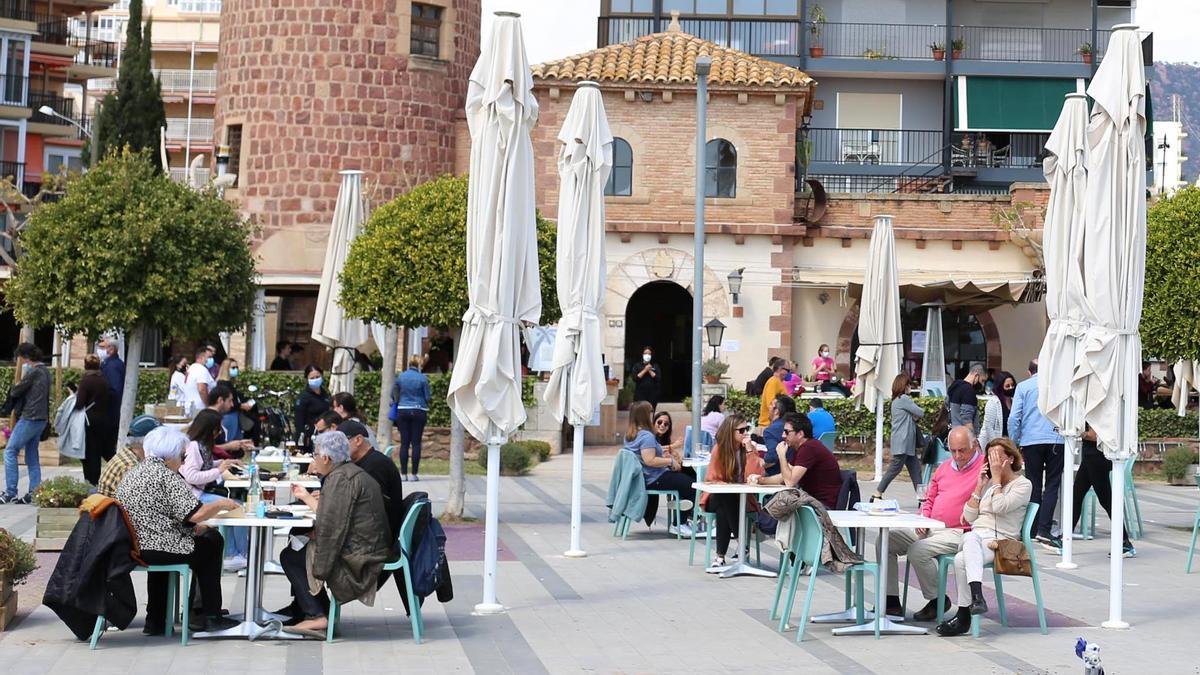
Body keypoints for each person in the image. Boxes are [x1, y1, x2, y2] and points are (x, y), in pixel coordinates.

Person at [115, 426, 240, 634]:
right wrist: (221, 505)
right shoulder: (167, 476)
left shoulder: (135, 473)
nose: (183, 462)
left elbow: (166, 513)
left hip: (134, 546)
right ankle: (208, 615)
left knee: (187, 543)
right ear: (170, 455)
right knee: (212, 542)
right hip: (159, 547)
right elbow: (195, 514)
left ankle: (156, 619)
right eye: (182, 456)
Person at [279, 430, 392, 636]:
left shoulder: (341, 479)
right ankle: (319, 611)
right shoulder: (347, 472)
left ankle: (317, 616)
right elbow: (335, 519)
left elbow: (332, 527)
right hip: (366, 545)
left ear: (325, 457)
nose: (314, 459)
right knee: (299, 543)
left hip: (361, 556)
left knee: (291, 555)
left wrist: (318, 550)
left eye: (315, 454)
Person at [882, 426, 983, 620]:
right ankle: (892, 602)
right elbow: (929, 498)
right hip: (931, 526)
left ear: (974, 445)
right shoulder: (945, 467)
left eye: (962, 450)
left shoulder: (982, 470)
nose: (957, 455)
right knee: (886, 540)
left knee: (917, 550)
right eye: (953, 450)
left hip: (957, 531)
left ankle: (938, 599)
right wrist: (924, 518)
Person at [936, 437, 1032, 637]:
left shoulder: (1023, 485)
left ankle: (965, 614)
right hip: (978, 536)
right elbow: (968, 517)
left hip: (1001, 540)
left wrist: (996, 481)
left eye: (998, 456)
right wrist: (980, 486)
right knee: (969, 542)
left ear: (1011, 459)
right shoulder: (989, 487)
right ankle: (976, 599)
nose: (993, 461)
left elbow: (1000, 506)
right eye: (990, 457)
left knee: (961, 557)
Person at [180, 409, 249, 570]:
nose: (219, 432)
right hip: (194, 496)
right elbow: (192, 476)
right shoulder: (194, 447)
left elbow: (205, 465)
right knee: (235, 507)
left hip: (199, 493)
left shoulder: (201, 446)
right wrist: (218, 470)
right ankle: (237, 554)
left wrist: (225, 462)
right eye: (218, 428)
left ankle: (235, 553)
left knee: (234, 506)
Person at [1008, 359, 1064, 551]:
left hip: (1031, 440)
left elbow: (1015, 416)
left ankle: (1031, 527)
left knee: (1033, 483)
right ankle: (1044, 528)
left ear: (1029, 371)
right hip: (1056, 438)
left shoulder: (1023, 387)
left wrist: (1014, 440)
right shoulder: (1059, 386)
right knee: (1052, 484)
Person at [623, 401, 694, 537]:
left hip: (645, 477)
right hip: (654, 478)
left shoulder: (630, 435)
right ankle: (679, 523)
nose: (653, 415)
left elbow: (646, 456)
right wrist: (670, 460)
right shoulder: (646, 436)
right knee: (692, 485)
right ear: (645, 415)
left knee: (685, 481)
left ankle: (680, 519)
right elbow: (650, 460)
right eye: (651, 413)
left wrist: (666, 453)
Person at [700, 414, 763, 568]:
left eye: (747, 429)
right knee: (725, 497)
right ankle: (742, 545)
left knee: (724, 507)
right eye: (741, 430)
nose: (745, 434)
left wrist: (749, 451)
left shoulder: (748, 449)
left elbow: (755, 476)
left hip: (741, 499)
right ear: (730, 431)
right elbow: (713, 478)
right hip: (714, 497)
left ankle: (720, 557)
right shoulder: (719, 450)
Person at [1070, 424, 1136, 558]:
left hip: (1097, 458)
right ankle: (1065, 537)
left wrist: (1078, 433)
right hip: (1090, 457)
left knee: (1106, 500)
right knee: (1077, 496)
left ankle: (1124, 542)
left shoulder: (1095, 410)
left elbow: (1095, 436)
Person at [757, 412, 843, 509]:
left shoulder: (809, 448)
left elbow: (790, 482)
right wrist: (760, 480)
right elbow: (783, 477)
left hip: (821, 506)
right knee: (775, 505)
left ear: (800, 434)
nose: (783, 436)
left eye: (787, 432)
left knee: (779, 507)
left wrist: (781, 455)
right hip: (811, 501)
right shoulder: (803, 448)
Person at [1, 343, 50, 503]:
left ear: (24, 357)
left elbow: (16, 391)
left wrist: (16, 385)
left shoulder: (34, 372)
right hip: (41, 419)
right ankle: (34, 492)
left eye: (19, 358)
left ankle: (10, 492)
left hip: (30, 417)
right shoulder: (45, 371)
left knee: (9, 451)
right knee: (31, 456)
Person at [873, 372, 924, 501]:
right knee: (895, 469)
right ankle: (877, 493)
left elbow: (912, 416)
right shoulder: (904, 399)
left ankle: (922, 497)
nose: (910, 387)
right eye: (909, 384)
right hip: (904, 441)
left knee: (915, 470)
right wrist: (915, 415)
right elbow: (920, 412)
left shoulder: (896, 401)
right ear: (904, 386)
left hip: (905, 442)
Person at [98, 416, 162, 498]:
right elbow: (141, 502)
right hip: (117, 509)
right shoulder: (131, 466)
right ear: (148, 441)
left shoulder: (129, 452)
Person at [392, 355, 432, 482]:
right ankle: (414, 474)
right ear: (419, 364)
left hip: (403, 409)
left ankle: (403, 474)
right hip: (419, 410)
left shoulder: (401, 377)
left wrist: (398, 401)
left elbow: (393, 393)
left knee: (404, 443)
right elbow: (428, 397)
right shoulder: (423, 378)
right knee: (416, 443)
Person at [76, 354, 113, 485]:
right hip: (104, 419)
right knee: (99, 451)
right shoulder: (104, 379)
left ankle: (90, 483)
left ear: (85, 365)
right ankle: (97, 481)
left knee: (89, 454)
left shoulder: (86, 381)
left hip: (89, 421)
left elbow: (80, 403)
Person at [98, 337, 125, 456]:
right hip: (112, 412)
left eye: (103, 347)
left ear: (111, 349)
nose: (100, 350)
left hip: (110, 413)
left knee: (107, 448)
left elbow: (115, 390)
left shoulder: (112, 366)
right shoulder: (111, 364)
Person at [217, 358, 254, 443]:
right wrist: (241, 405)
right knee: (229, 440)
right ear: (226, 369)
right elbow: (226, 402)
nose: (236, 370)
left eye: (237, 367)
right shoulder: (223, 383)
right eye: (233, 368)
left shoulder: (229, 382)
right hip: (228, 415)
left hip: (234, 414)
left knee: (237, 439)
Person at [295, 365, 331, 451]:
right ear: (307, 379)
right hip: (309, 437)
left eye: (317, 377)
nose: (315, 380)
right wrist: (301, 443)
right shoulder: (303, 398)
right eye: (312, 378)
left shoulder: (325, 394)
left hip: (325, 435)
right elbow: (299, 422)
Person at [979, 370, 1016, 449]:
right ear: (1000, 387)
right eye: (1007, 386)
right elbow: (989, 427)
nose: (1011, 388)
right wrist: (996, 446)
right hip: (994, 445)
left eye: (1012, 385)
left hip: (1009, 445)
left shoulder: (1014, 402)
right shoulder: (993, 402)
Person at [761, 394, 796, 477]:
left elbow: (771, 458)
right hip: (799, 473)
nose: (768, 407)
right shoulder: (799, 426)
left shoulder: (771, 430)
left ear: (776, 411)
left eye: (770, 405)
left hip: (777, 476)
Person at [946, 364, 986, 432]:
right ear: (976, 376)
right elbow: (966, 419)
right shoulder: (969, 391)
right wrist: (973, 438)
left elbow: (946, 405)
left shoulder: (954, 386)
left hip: (952, 433)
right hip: (963, 436)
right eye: (982, 381)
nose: (983, 385)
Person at [180, 346, 216, 417]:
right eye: (209, 357)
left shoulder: (191, 368)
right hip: (200, 409)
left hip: (190, 408)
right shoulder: (201, 369)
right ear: (202, 357)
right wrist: (208, 405)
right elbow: (202, 389)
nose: (211, 360)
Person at [757, 359, 790, 426]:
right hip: (768, 424)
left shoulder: (779, 382)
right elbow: (771, 405)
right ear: (780, 369)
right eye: (787, 370)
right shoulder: (773, 382)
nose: (788, 373)